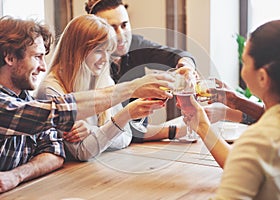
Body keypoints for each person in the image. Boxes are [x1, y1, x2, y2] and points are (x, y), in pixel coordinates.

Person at [0, 16, 174, 193]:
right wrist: (131, 89)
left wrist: (16, 175)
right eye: (37, 57)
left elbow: (54, 152)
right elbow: (58, 113)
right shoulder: (11, 104)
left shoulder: (25, 98)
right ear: (10, 58)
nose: (43, 67)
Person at [182, 19, 280, 199]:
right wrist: (234, 104)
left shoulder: (258, 141)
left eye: (244, 62)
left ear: (262, 77)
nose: (242, 71)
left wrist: (204, 127)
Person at [35, 14, 170, 161]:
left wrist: (93, 131)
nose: (106, 60)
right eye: (99, 51)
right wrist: (124, 116)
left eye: (108, 51)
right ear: (76, 51)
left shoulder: (101, 79)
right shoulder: (50, 90)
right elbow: (83, 152)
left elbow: (126, 137)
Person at [85, 0, 196, 143]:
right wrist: (175, 131)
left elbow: (178, 55)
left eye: (124, 25)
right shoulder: (89, 65)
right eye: (112, 28)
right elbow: (109, 131)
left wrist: (186, 67)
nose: (121, 35)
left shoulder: (135, 44)